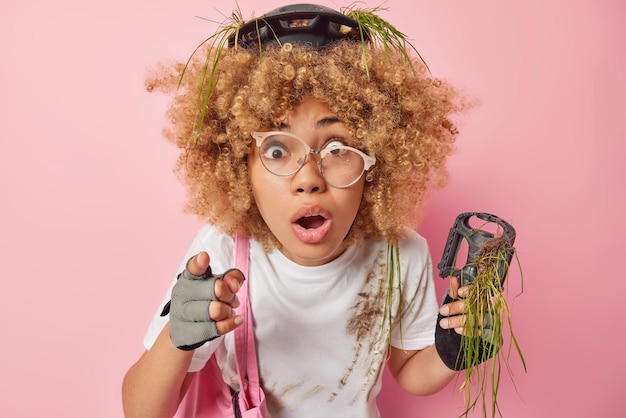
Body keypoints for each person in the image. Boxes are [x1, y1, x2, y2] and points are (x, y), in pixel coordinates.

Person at [122, 4, 488, 417]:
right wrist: (177, 336)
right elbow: (141, 410)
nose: (309, 177)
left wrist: (452, 347)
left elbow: (409, 373)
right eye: (277, 149)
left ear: (375, 163)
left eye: (337, 149)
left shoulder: (400, 254)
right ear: (240, 166)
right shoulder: (221, 252)